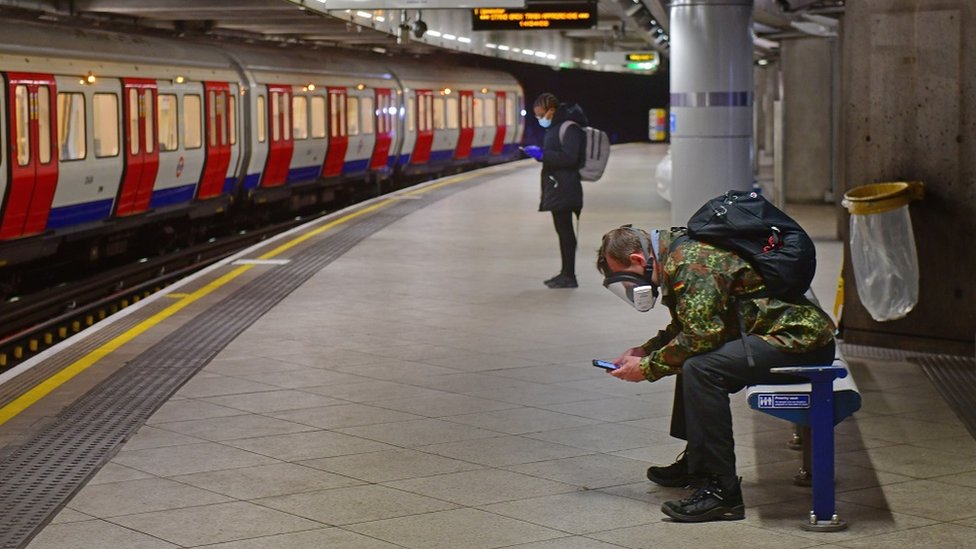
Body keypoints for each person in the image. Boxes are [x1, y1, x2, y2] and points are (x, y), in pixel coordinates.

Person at [596, 225, 836, 522]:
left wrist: (646, 368)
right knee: (691, 359)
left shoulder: (688, 261)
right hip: (778, 333)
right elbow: (689, 325)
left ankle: (721, 493)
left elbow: (701, 337)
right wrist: (645, 350)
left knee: (701, 367)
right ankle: (698, 463)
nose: (632, 290)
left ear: (637, 259)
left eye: (627, 280)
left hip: (798, 341)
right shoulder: (675, 253)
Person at [522, 93, 588, 289]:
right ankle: (565, 273)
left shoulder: (570, 129)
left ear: (551, 110)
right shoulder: (556, 127)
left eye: (541, 114)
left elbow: (570, 158)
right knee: (563, 231)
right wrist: (541, 154)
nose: (539, 118)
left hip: (566, 188)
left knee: (566, 232)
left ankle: (569, 275)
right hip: (558, 187)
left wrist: (543, 155)